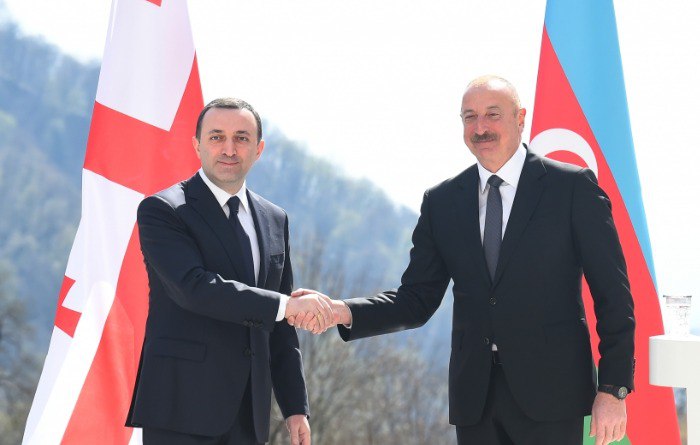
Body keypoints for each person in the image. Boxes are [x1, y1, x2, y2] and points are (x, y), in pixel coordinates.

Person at [291, 76, 635, 445]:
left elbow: (613, 296)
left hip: (553, 396)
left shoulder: (571, 188)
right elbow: (416, 300)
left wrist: (613, 388)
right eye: (470, 117)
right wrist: (341, 311)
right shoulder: (442, 202)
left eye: (492, 114)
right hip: (475, 401)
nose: (480, 127)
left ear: (520, 118)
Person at [126, 98, 334, 445]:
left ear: (259, 149)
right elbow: (194, 288)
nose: (229, 148)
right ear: (197, 145)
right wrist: (286, 305)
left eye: (241, 138)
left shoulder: (275, 219)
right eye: (216, 137)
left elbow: (281, 326)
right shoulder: (163, 210)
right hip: (180, 407)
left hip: (249, 414)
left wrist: (295, 406)